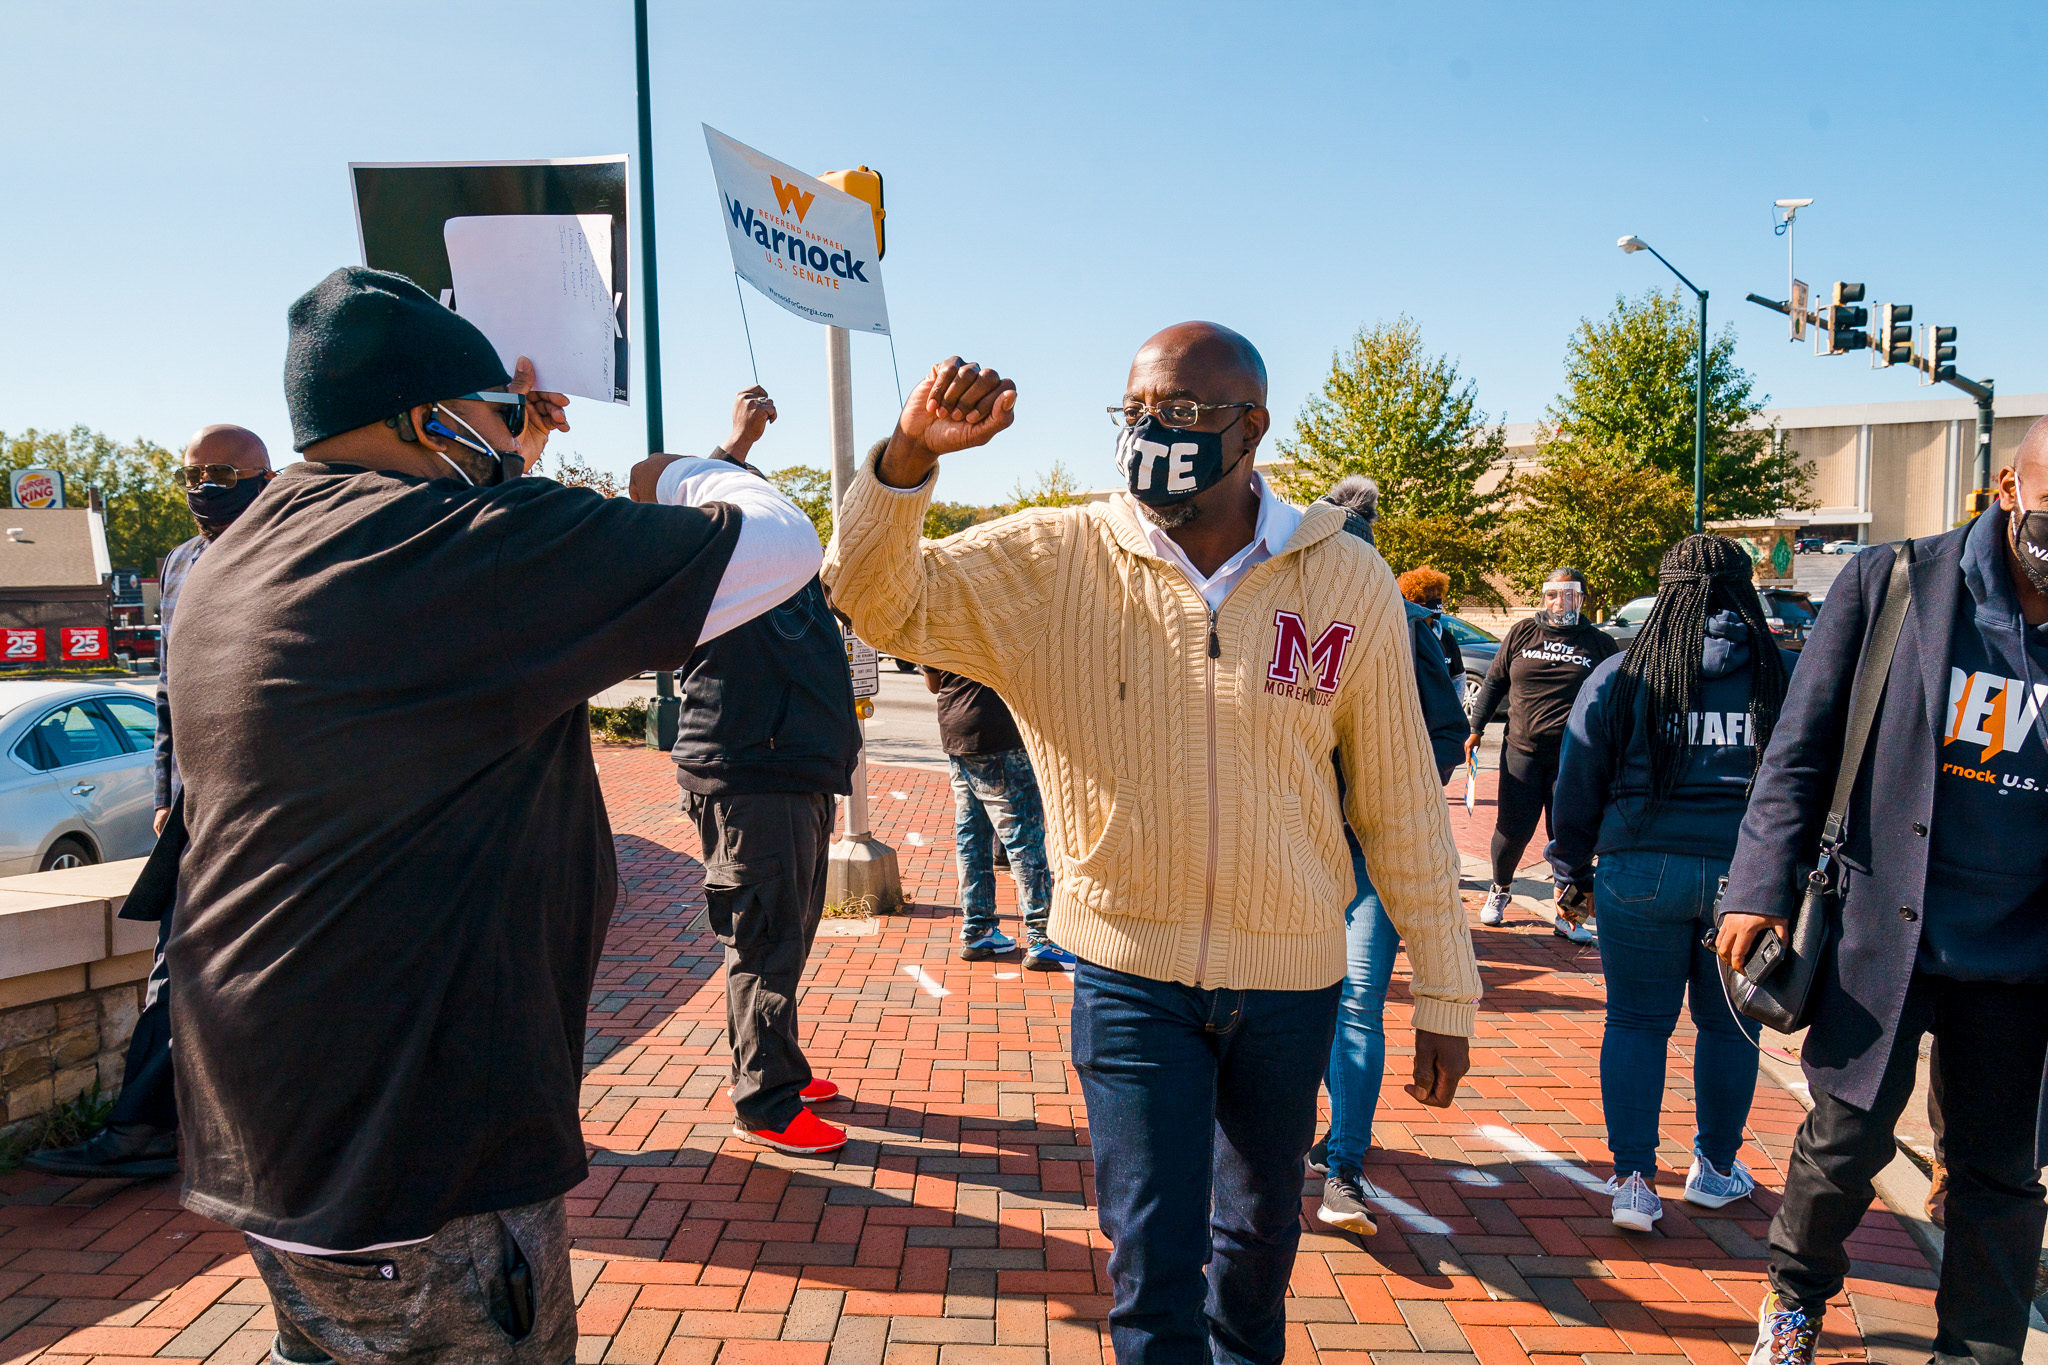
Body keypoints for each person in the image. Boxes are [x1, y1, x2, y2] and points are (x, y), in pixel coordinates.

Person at [166, 267, 822, 1365]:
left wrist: (502, 456)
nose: (512, 430)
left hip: (272, 1106)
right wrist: (688, 470)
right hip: (412, 1135)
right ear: (428, 419)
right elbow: (778, 548)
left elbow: (457, 608)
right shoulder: (439, 552)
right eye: (493, 411)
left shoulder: (257, 548)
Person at [825, 329, 1480, 1365]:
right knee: (1151, 1259)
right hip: (1128, 974)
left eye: (1181, 413)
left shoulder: (1342, 578)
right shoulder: (1053, 559)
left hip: (1288, 981)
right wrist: (907, 462)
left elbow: (1398, 800)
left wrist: (1444, 988)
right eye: (1135, 412)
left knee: (1259, 1243)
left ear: (1250, 426)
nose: (1152, 435)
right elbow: (873, 597)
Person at [1716, 419, 2048, 1365]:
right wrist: (1757, 885)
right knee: (1843, 1145)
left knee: (2001, 1177)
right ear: (2009, 495)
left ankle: (1980, 1351)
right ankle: (1793, 1298)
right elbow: (1800, 752)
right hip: (1882, 933)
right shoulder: (1896, 582)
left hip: (2022, 960)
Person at [24, 424, 274, 1182]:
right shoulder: (179, 564)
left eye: (227, 473)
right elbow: (169, 693)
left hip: (279, 802)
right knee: (176, 964)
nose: (207, 486)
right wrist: (166, 793)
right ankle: (143, 1128)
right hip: (199, 808)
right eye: (194, 473)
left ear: (268, 476)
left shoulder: (297, 546)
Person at [633, 384, 859, 1158]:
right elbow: (653, 478)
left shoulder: (773, 564)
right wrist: (727, 452)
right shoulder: (706, 569)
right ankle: (765, 1100)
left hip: (792, 771)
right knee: (763, 938)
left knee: (788, 931)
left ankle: (780, 1066)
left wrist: (740, 449)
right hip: (750, 775)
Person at [1548, 535, 1795, 1233]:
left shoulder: (1625, 673)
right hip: (1745, 879)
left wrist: (1572, 870)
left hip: (1638, 868)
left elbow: (1578, 779)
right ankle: (1716, 1168)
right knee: (1729, 1026)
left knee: (1634, 1020)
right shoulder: (1781, 674)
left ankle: (1632, 1180)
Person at [1303, 477, 1467, 1236]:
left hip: (1353, 846)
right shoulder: (1296, 607)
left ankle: (1341, 1159)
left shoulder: (1394, 618)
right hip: (1312, 841)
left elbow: (1443, 729)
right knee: (1330, 999)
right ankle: (1333, 1154)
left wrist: (1388, 785)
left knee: (1346, 1000)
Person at [1464, 567, 1619, 935]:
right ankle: (1500, 890)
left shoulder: (1597, 643)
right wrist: (1474, 728)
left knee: (1569, 837)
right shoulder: (1522, 632)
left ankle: (1570, 917)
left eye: (1568, 595)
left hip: (1575, 758)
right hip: (1522, 752)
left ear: (1581, 599)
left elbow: (1616, 699)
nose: (1559, 602)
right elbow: (1494, 682)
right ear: (1544, 597)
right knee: (1512, 831)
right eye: (1552, 594)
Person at [921, 665, 1071, 968]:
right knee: (1023, 840)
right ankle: (1042, 937)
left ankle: (978, 930)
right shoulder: (996, 615)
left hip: (955, 730)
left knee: (971, 838)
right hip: (997, 734)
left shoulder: (940, 618)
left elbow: (933, 683)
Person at [1398, 566, 1463, 680]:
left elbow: (1458, 677)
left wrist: (1450, 697)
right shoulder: (1405, 636)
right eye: (1429, 596)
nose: (1436, 600)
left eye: (1438, 595)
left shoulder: (1446, 638)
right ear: (1415, 600)